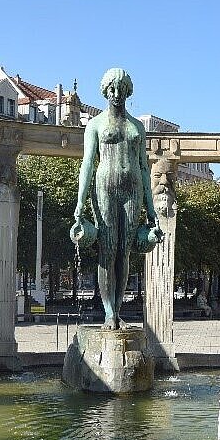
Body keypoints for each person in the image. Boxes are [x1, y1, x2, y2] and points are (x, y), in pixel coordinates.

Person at [71, 68, 162, 330]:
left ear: (127, 91)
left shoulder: (137, 127)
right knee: (107, 250)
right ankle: (108, 311)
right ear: (105, 91)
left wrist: (151, 207)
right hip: (105, 188)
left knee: (125, 251)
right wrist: (79, 203)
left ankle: (117, 309)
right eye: (111, 89)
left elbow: (145, 167)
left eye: (120, 89)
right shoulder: (95, 124)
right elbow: (87, 164)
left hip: (132, 189)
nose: (116, 94)